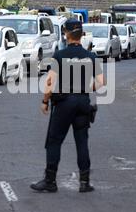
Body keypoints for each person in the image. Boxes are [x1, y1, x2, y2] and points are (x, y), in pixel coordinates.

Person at [31, 18, 105, 193]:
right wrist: (85, 88)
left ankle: (50, 181)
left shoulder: (60, 55)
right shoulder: (91, 56)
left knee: (54, 141)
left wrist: (44, 101)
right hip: (82, 103)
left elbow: (50, 81)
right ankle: (85, 183)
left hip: (64, 103)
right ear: (81, 35)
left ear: (67, 34)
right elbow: (101, 82)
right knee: (82, 142)